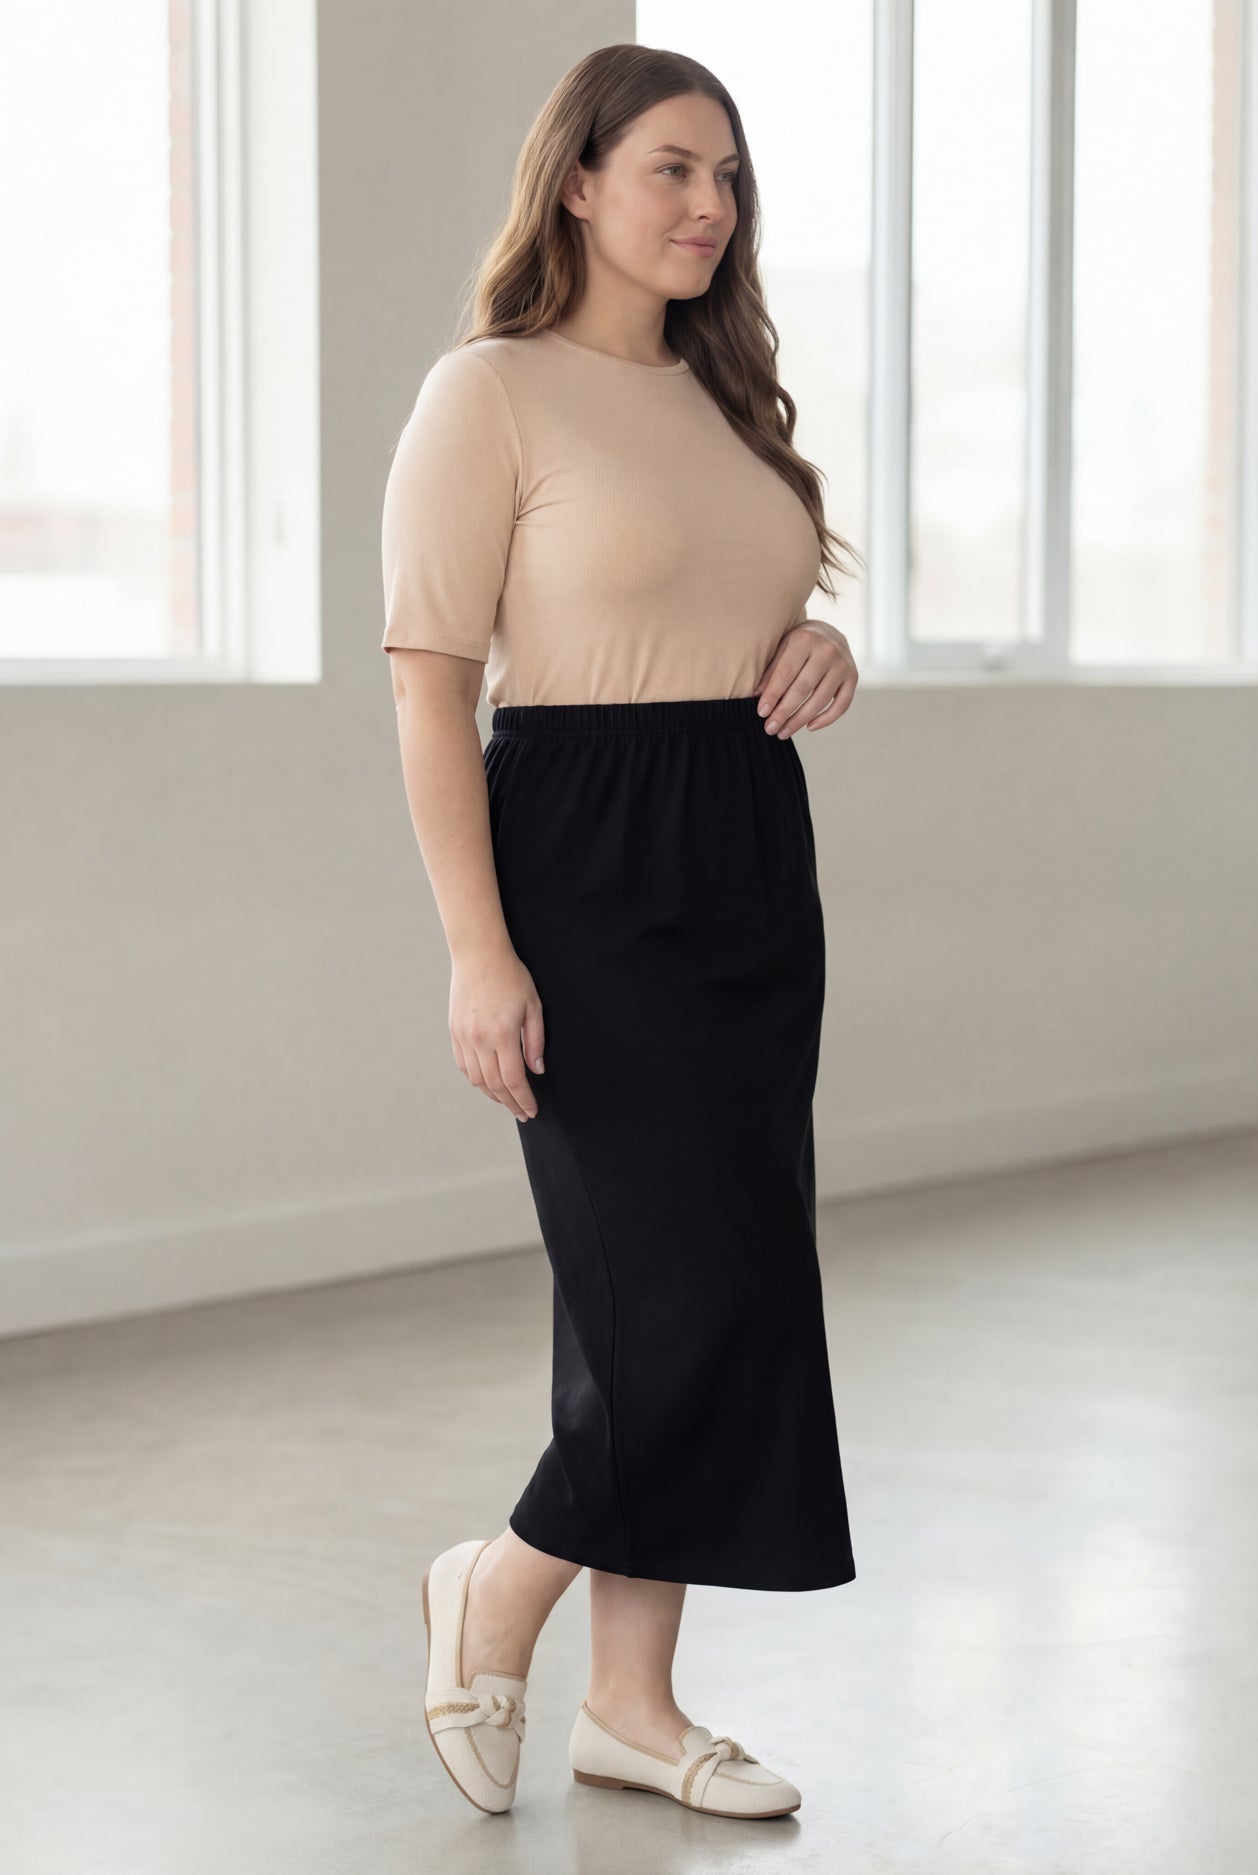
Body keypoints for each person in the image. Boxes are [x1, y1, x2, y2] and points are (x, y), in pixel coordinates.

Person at [381, 43, 864, 1820]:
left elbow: (750, 611)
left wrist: (822, 650)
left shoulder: (725, 401)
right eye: (671, 169)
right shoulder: (489, 391)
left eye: (727, 177)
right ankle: (495, 1584)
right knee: (664, 1290)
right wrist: (476, 948)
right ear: (575, 181)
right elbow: (432, 686)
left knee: (722, 1281)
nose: (708, 207)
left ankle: (632, 1706)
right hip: (579, 863)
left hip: (745, 852)